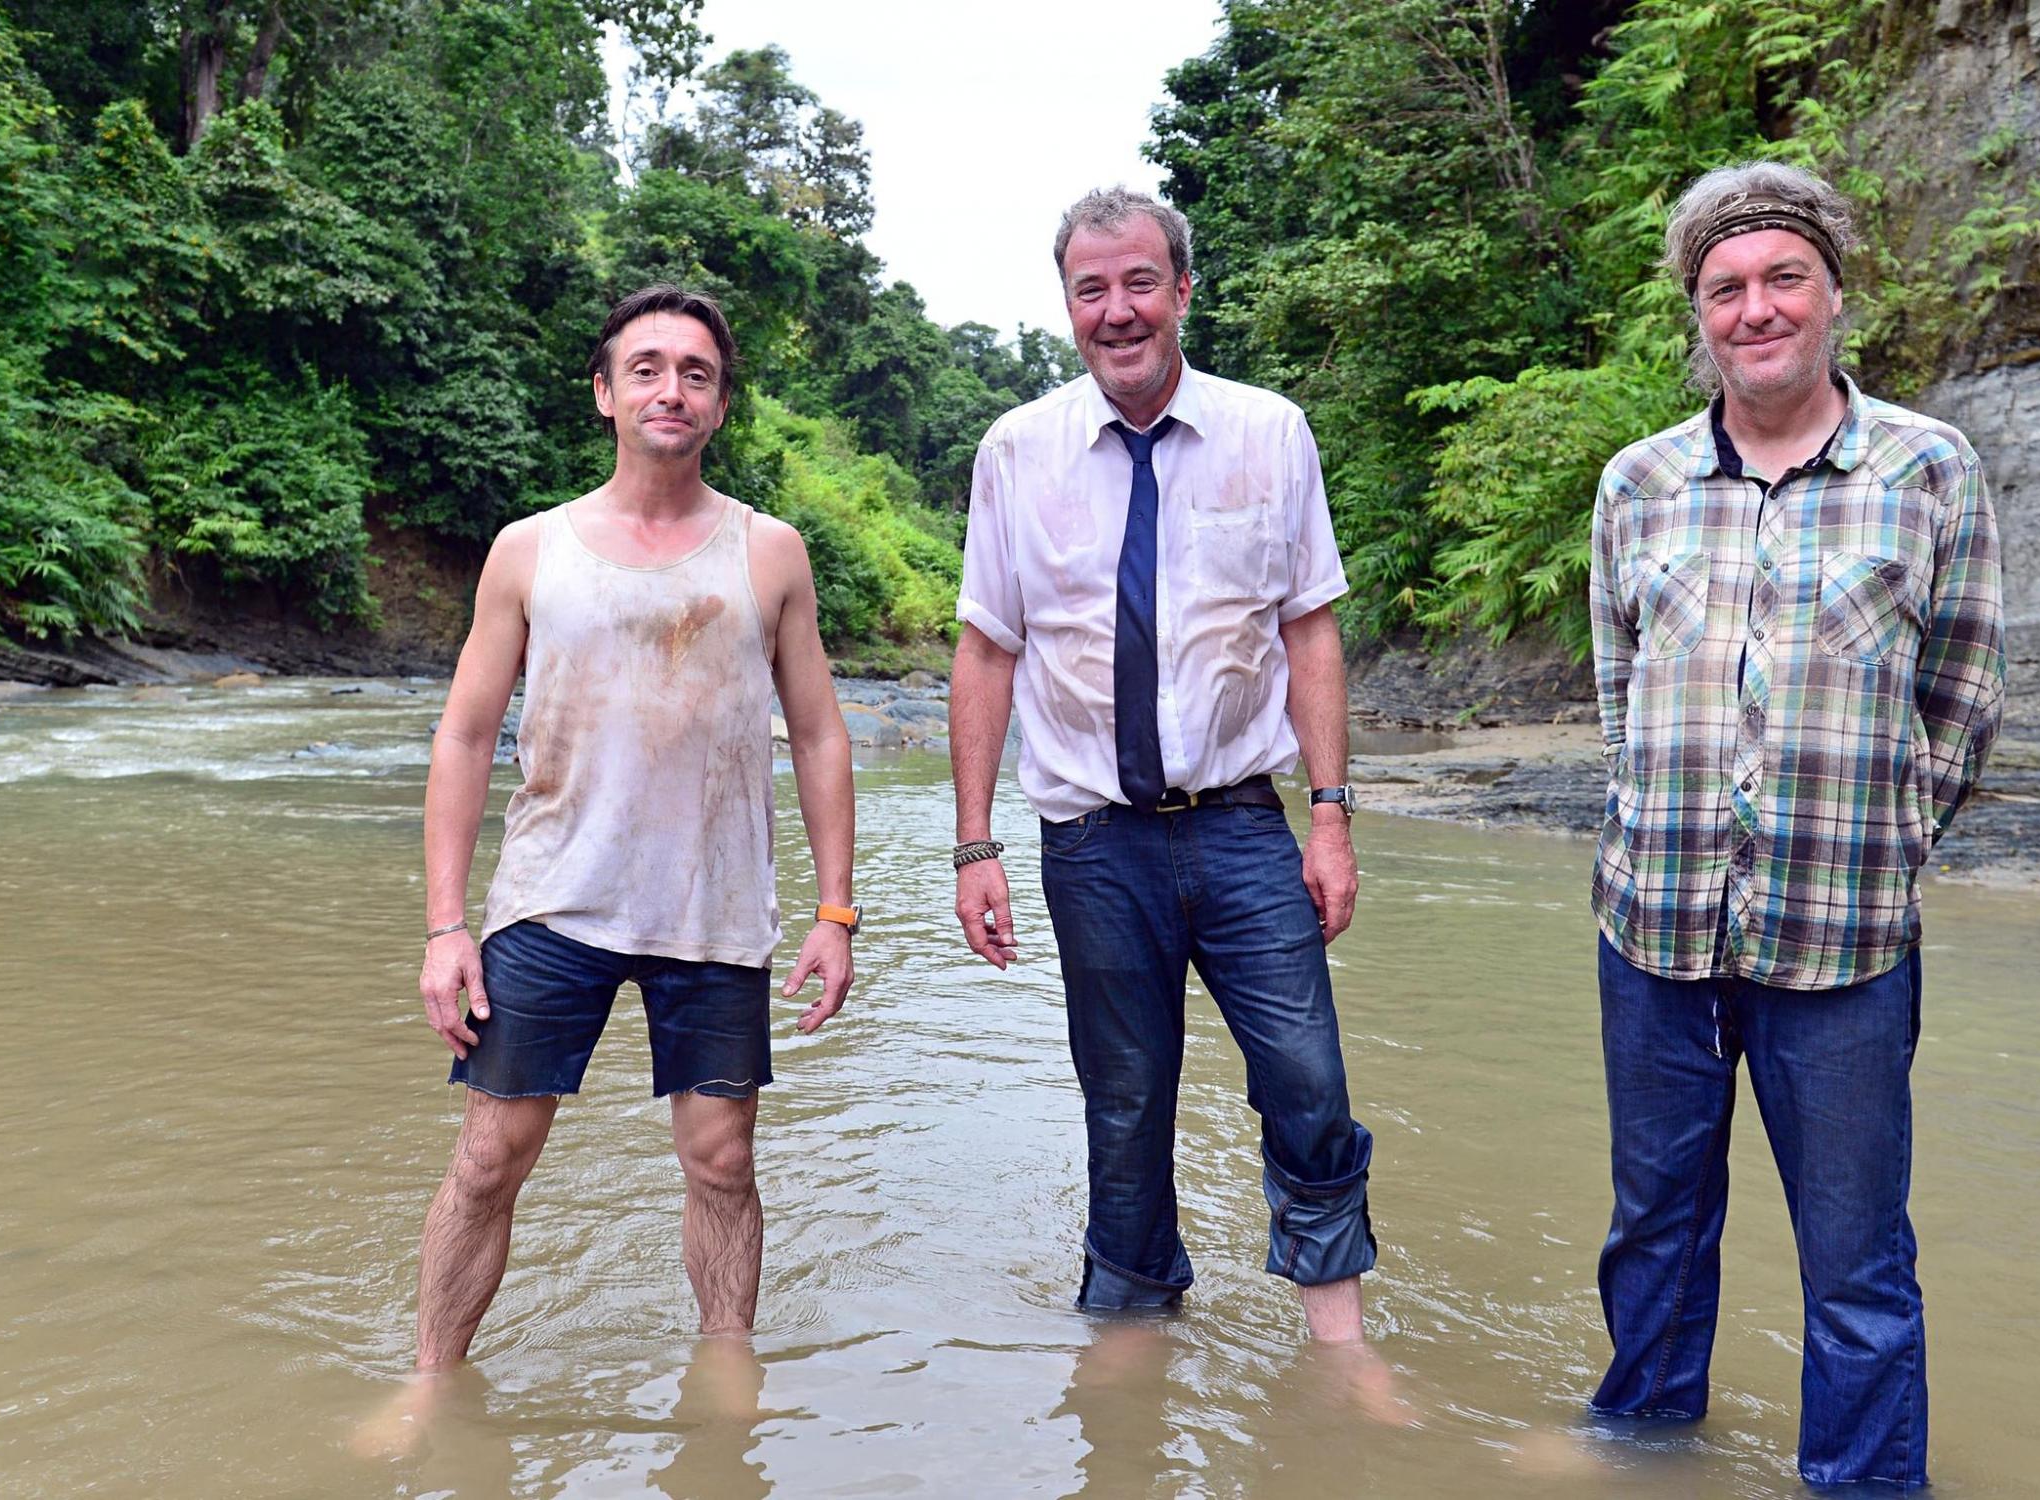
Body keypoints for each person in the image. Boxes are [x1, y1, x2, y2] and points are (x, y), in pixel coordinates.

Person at [1584, 162, 2006, 1488]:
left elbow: (1965, 696)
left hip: (1845, 944)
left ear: (1833, 294)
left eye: (1782, 279)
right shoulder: (1638, 486)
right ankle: (1644, 1446)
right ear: (1696, 314)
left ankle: (1865, 1481)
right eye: (1725, 288)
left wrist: (1873, 845)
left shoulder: (1929, 470)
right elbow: (1621, 691)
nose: (1754, 309)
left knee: (1858, 1257)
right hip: (1653, 925)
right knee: (1653, 1225)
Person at [401, 285, 858, 1383]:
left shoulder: (769, 552)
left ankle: (726, 1377)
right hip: (553, 899)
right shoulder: (530, 550)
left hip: (714, 906)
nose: (671, 387)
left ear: (720, 406)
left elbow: (820, 737)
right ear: (605, 393)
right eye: (645, 367)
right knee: (488, 1158)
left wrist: (836, 911)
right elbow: (463, 738)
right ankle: (428, 1382)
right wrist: (444, 926)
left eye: (695, 373)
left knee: (722, 1161)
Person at [948, 188, 1376, 1343]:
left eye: (1140, 283)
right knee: (1124, 1100)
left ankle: (1337, 1339)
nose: (1118, 311)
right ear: (1067, 308)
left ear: (1183, 290)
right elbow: (987, 649)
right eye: (1092, 290)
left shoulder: (1268, 431)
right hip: (1091, 840)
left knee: (1305, 1076)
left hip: (1242, 825)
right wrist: (974, 843)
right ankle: (1130, 1322)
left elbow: (1309, 631)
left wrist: (1329, 818)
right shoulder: (1017, 452)